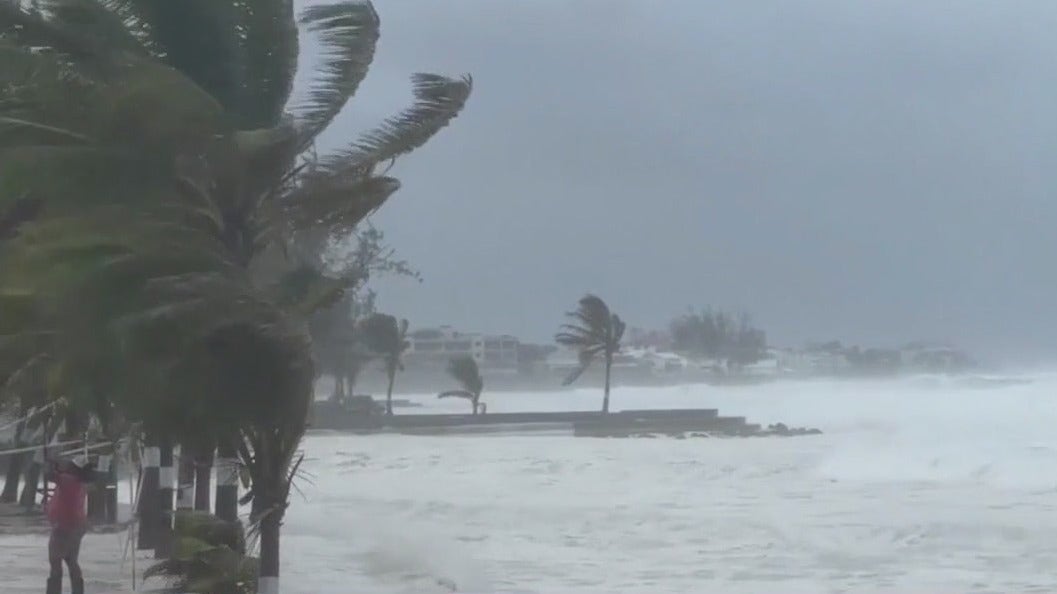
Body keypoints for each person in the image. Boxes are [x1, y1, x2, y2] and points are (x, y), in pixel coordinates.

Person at [44, 456, 96, 594]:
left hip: (63, 526)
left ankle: (54, 591)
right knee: (71, 560)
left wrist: (51, 463)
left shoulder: (68, 480)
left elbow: (50, 475)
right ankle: (78, 590)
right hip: (77, 525)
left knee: (55, 561)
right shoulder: (81, 483)